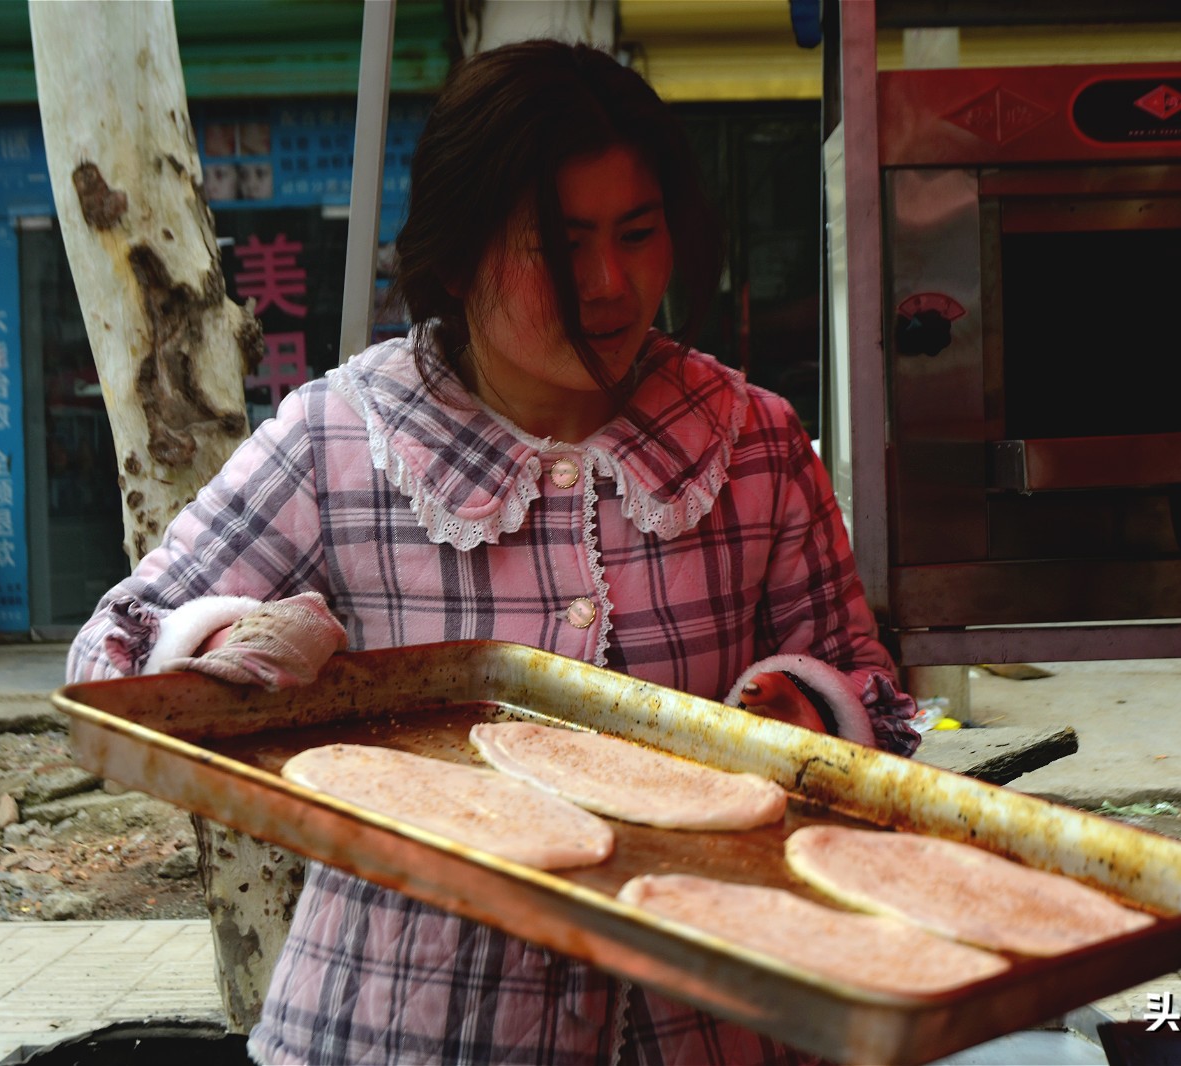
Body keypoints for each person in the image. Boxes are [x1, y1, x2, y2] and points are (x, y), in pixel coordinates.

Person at [69, 39, 919, 1065]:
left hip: (709, 1019)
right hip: (399, 1026)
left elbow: (867, 686)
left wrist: (802, 718)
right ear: (460, 253)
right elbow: (110, 654)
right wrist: (226, 646)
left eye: (638, 233)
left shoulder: (751, 442)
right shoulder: (343, 437)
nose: (608, 283)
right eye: (556, 247)